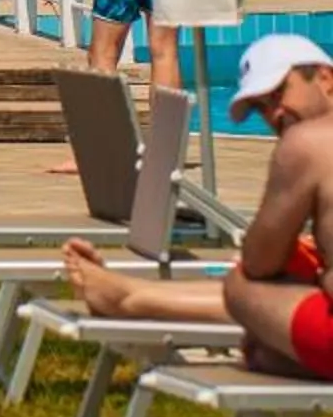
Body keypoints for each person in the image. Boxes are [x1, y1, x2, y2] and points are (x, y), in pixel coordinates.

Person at [63, 33, 333, 376]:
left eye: (279, 93)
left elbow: (258, 264)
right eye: (261, 108)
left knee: (242, 286)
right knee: (293, 264)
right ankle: (131, 296)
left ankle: (132, 298)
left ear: (325, 77)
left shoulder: (307, 143)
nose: (274, 114)